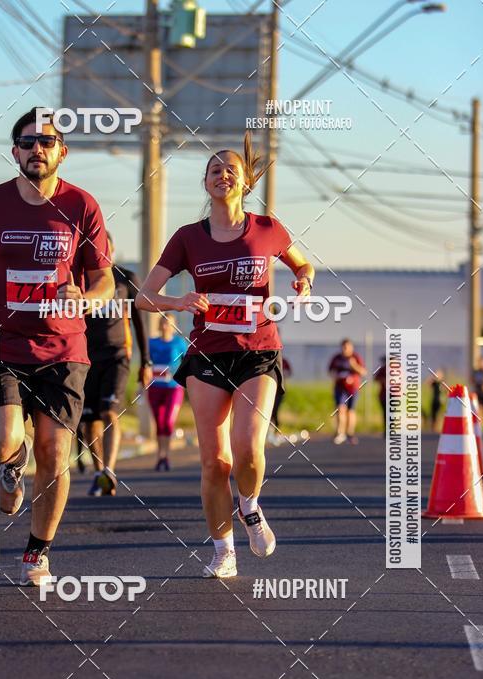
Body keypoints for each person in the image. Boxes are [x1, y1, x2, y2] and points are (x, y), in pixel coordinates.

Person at [136, 132, 315, 577]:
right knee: (215, 462)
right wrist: (179, 302)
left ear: (245, 182)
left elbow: (303, 264)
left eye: (230, 168)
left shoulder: (268, 230)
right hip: (207, 355)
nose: (222, 174)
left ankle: (250, 506)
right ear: (206, 183)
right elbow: (144, 296)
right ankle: (223, 551)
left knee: (248, 448)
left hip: (257, 350)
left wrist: (304, 281)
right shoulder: (187, 238)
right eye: (214, 169)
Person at [0, 107, 114, 586]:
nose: (36, 150)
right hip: (0, 345)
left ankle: (36, 552)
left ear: (61, 152)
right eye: (27, 142)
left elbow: (104, 277)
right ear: (15, 152)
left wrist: (86, 299)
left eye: (45, 142)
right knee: (4, 439)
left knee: (54, 450)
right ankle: (8, 467)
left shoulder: (82, 206)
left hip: (63, 349)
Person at [80, 233, 152, 496]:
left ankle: (109, 469)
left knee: (110, 411)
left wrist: (146, 361)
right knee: (89, 419)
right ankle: (99, 471)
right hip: (85, 359)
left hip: (117, 355)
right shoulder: (80, 278)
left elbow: (140, 323)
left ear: (111, 248)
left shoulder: (125, 278)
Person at [147, 314, 188, 471]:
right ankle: (160, 456)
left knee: (168, 422)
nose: (165, 326)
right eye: (163, 323)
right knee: (159, 422)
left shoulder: (179, 343)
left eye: (168, 324)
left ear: (173, 326)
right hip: (155, 387)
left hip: (174, 388)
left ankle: (167, 455)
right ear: (159, 325)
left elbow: (186, 362)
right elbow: (146, 362)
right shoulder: (152, 342)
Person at [328, 339, 366, 445]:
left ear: (351, 347)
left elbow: (363, 372)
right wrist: (334, 375)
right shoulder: (336, 358)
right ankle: (340, 433)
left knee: (350, 411)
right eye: (343, 347)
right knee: (340, 409)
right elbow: (331, 371)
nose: (345, 349)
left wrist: (354, 366)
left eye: (347, 347)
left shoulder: (356, 357)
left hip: (352, 388)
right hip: (340, 388)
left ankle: (350, 433)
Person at [374, 355, 387, 437]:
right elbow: (376, 378)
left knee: (392, 413)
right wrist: (384, 380)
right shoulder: (382, 369)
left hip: (395, 395)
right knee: (385, 413)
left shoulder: (398, 370)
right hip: (383, 395)